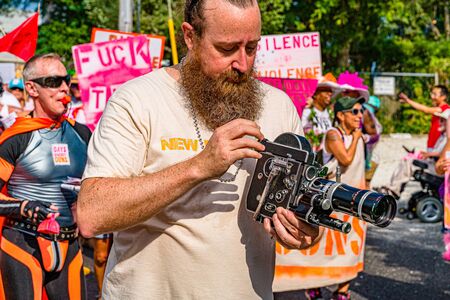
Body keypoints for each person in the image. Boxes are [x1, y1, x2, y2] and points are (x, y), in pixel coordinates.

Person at [76, 0, 322, 298]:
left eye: (252, 47)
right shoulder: (137, 100)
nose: (243, 64)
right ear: (190, 36)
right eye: (227, 48)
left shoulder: (279, 106)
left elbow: (303, 215)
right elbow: (92, 215)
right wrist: (198, 167)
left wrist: (302, 231)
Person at [0, 53, 90, 299]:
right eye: (53, 81)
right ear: (32, 88)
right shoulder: (16, 138)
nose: (64, 87)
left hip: (70, 242)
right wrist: (24, 207)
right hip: (23, 241)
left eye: (66, 79)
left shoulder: (82, 134)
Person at [305, 96, 366, 300]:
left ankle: (342, 290)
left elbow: (376, 131)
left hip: (355, 197)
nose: (360, 116)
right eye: (354, 112)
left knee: (352, 243)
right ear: (340, 115)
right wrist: (357, 138)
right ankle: (313, 283)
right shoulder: (333, 134)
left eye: (361, 111)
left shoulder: (357, 132)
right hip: (334, 198)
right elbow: (345, 159)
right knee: (326, 245)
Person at [399, 85, 449, 152]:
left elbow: (426, 110)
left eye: (435, 94)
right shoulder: (439, 108)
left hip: (438, 145)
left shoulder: (445, 108)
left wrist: (408, 100)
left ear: (443, 97)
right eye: (432, 94)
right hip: (432, 142)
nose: (432, 97)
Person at [302, 74, 339, 153]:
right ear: (315, 94)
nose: (330, 93)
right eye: (325, 90)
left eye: (330, 91)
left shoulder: (331, 113)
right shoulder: (306, 112)